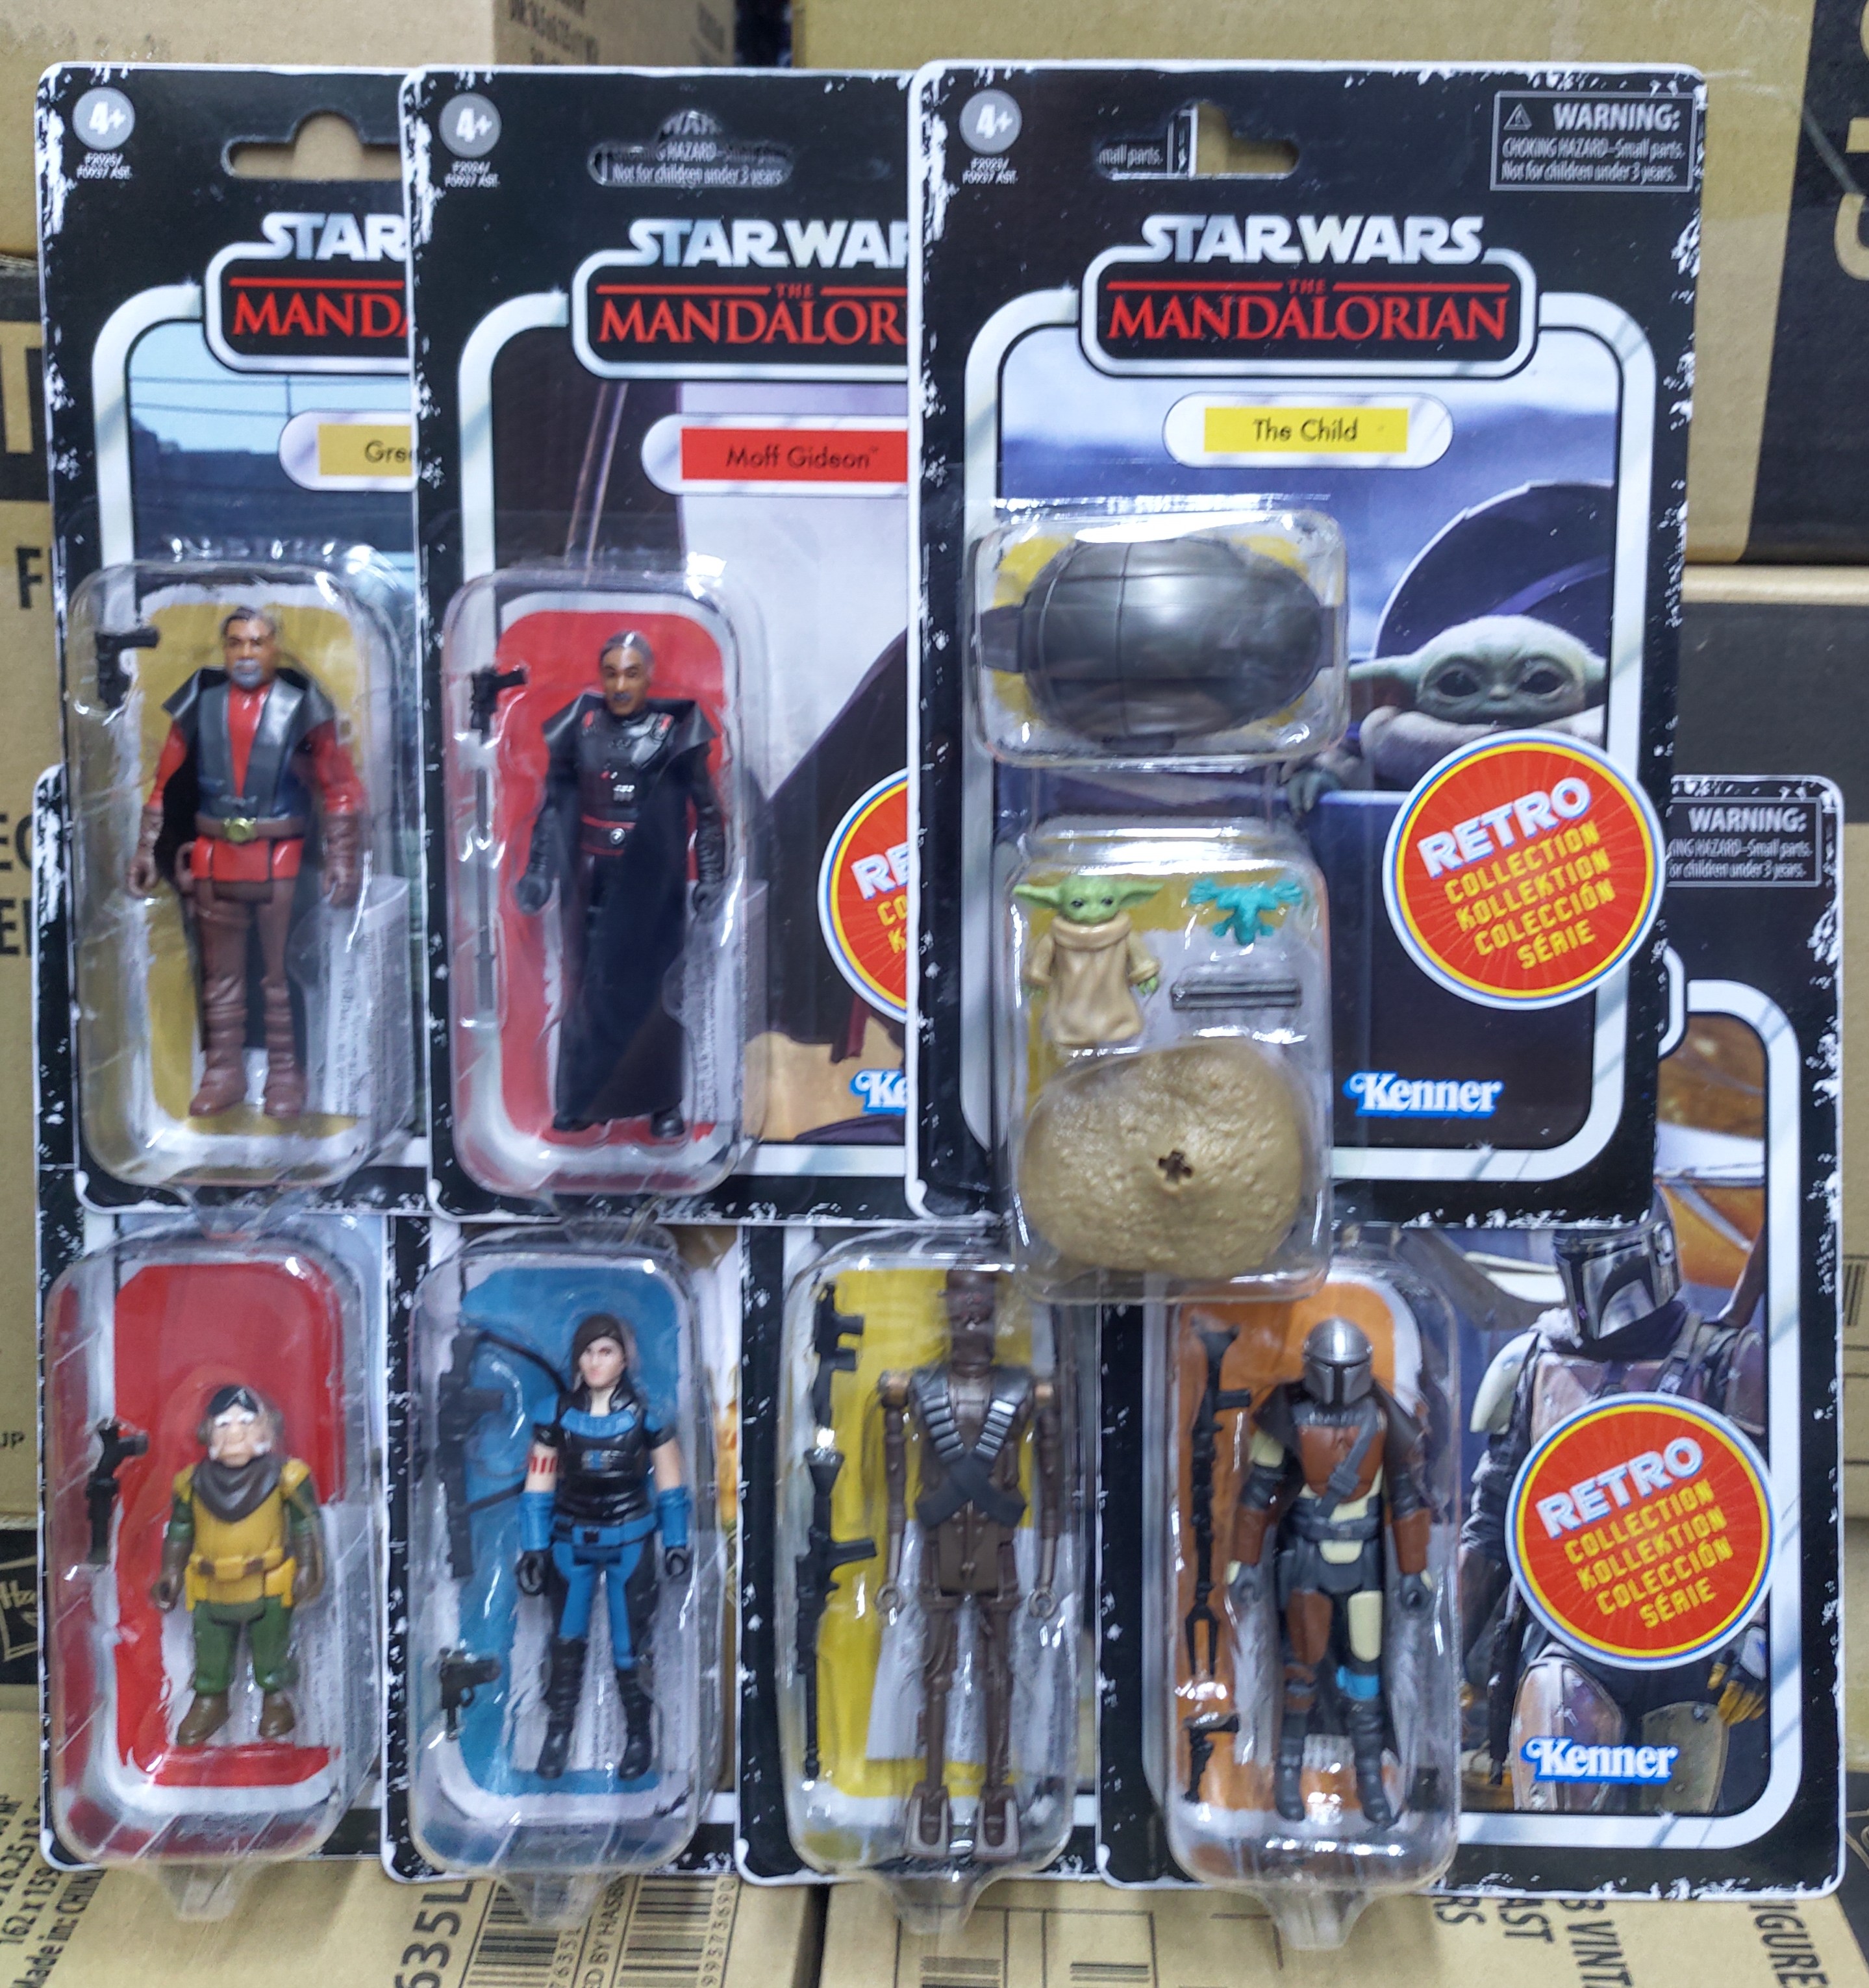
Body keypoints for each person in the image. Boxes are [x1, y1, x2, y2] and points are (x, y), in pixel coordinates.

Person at [1461, 1199, 1768, 1812]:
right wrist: (1450, 1651)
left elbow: (1767, 1517)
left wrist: (1759, 1632)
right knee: (1560, 1800)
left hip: (1694, 1638)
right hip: (1568, 1634)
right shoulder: (1535, 1360)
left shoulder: (1729, 1361)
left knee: (1683, 1830)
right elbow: (1493, 1524)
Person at [127, 607, 364, 1120]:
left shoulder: (301, 704)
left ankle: (287, 1074)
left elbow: (339, 785)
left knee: (281, 973)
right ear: (225, 649)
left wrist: (344, 858)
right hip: (214, 852)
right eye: (236, 643)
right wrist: (147, 850)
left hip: (282, 855)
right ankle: (223, 1071)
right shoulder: (202, 701)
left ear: (274, 647)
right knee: (220, 976)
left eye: (257, 642)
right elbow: (164, 782)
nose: (246, 653)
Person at [516, 630, 725, 1137]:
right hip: (592, 876)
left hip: (654, 880)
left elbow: (708, 811)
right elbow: (553, 808)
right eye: (611, 673)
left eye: (631, 673)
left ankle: (663, 1103)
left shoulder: (674, 731)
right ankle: (582, 1097)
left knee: (656, 992)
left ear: (648, 676)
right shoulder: (580, 727)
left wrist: (712, 876)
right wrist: (539, 873)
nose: (621, 685)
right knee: (586, 986)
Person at [1227, 1316, 1433, 1826]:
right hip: (1307, 1559)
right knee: (1299, 1674)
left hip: (1363, 1564)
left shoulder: (1383, 1419)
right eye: (1331, 1368)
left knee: (1365, 1676)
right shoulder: (1289, 1415)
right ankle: (1288, 1776)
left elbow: (1406, 1499)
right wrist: (1243, 1562)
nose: (1340, 1380)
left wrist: (1414, 1571)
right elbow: (1257, 1494)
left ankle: (1370, 1782)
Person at [515, 1313, 690, 1780]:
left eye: (606, 1351)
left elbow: (672, 1488)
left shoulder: (647, 1418)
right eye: (588, 1352)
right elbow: (538, 1486)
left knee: (630, 1645)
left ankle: (639, 1736)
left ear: (624, 1359)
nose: (595, 1361)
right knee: (565, 1641)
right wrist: (534, 1548)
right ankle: (557, 1735)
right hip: (570, 1541)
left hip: (629, 1540)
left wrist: (676, 1542)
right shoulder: (554, 1416)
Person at [151, 1385, 324, 1747]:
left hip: (268, 1583)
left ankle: (277, 1700)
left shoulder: (287, 1477)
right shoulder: (190, 1483)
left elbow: (306, 1524)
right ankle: (211, 1700)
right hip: (210, 1585)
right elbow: (180, 1530)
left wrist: (309, 1567)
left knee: (271, 1647)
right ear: (207, 1432)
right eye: (224, 1424)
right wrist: (170, 1572)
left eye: (246, 1422)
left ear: (267, 1428)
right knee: (210, 1651)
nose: (234, 1433)